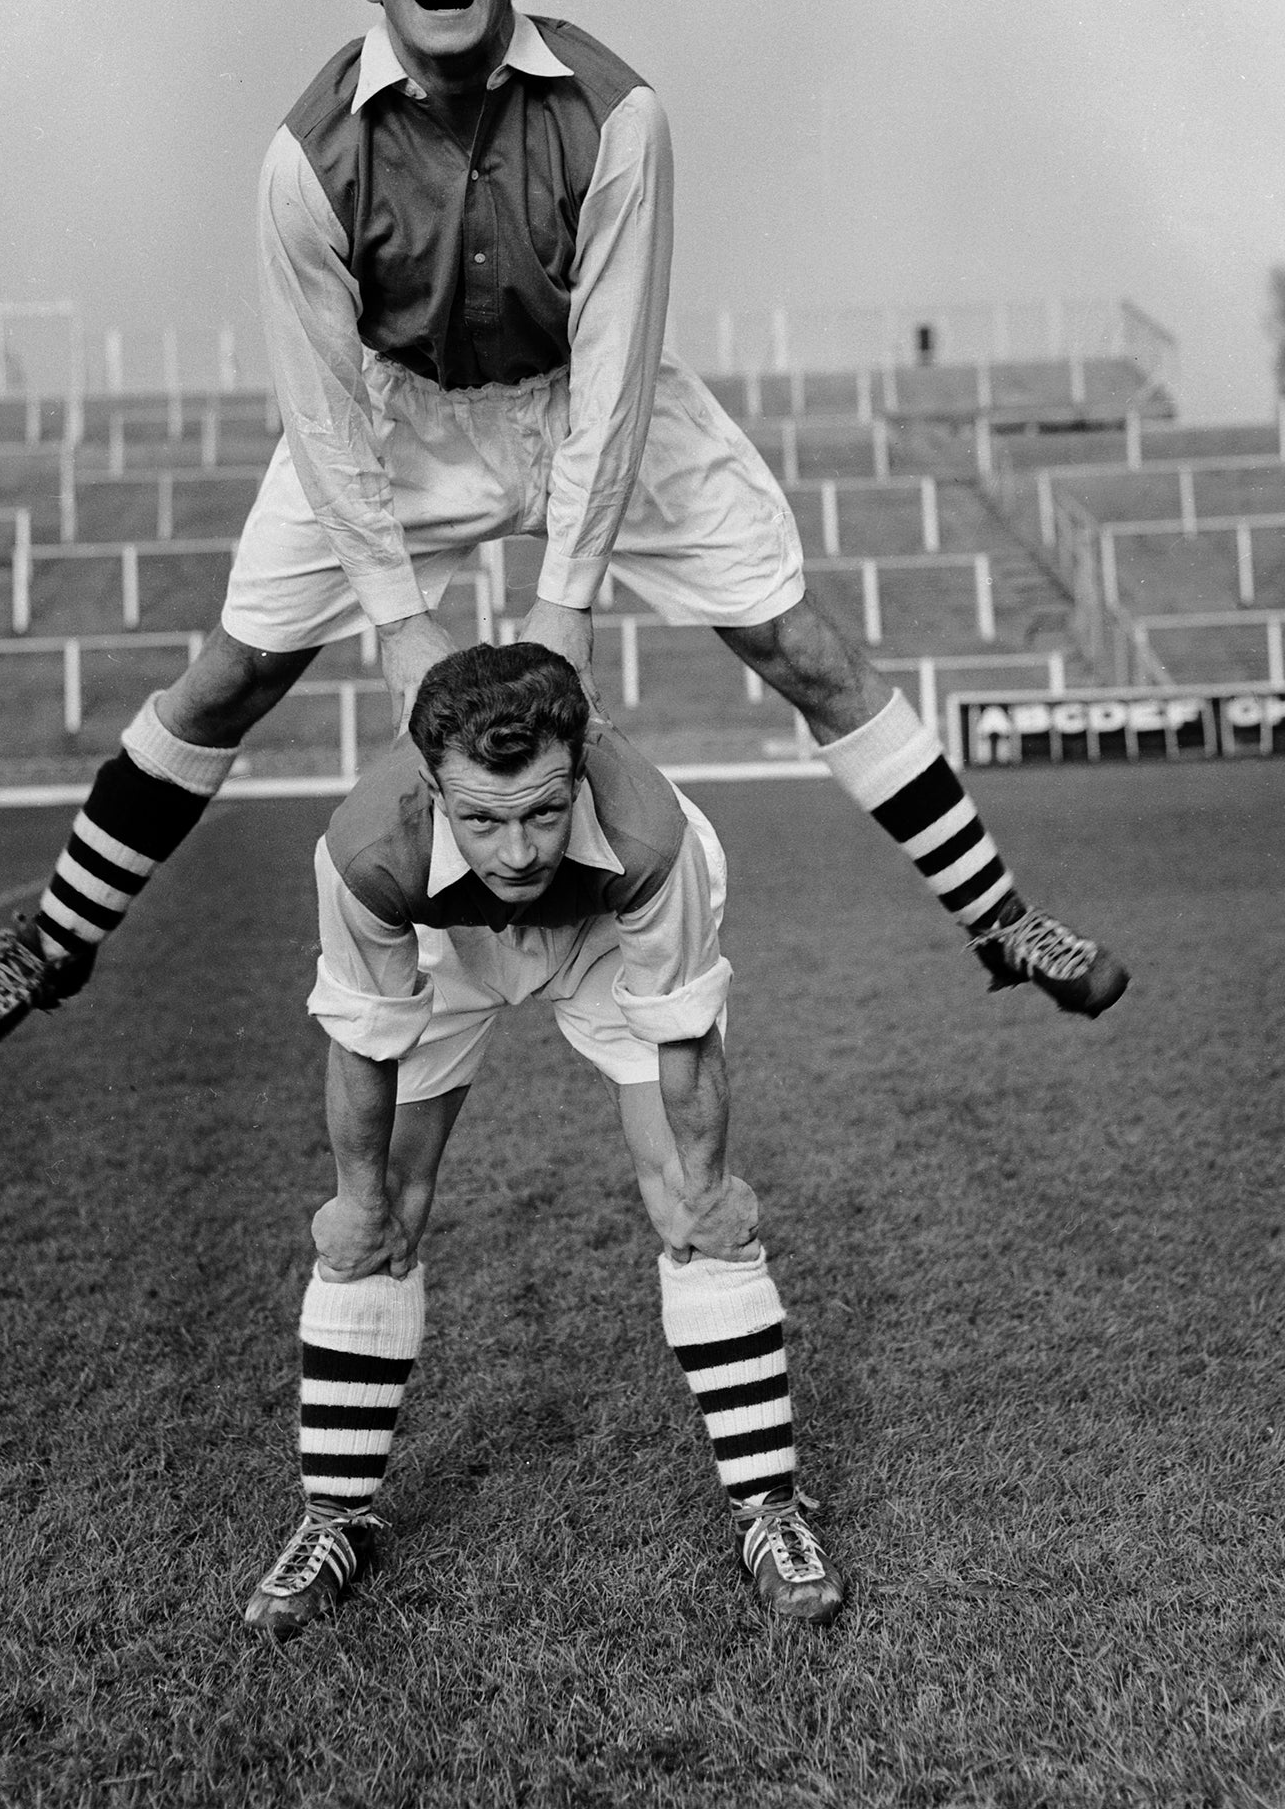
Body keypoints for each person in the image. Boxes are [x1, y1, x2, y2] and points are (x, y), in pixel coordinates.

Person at [0, 0, 1126, 1060]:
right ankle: (52, 941)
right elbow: (323, 408)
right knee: (230, 674)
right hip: (395, 414)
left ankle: (1001, 921)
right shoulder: (303, 158)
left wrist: (567, 603)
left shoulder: (619, 115)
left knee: (805, 650)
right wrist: (394, 617)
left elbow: (611, 378)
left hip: (582, 402)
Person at [242, 641, 841, 1640]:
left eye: (540, 811)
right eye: (480, 815)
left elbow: (681, 1035)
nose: (515, 849)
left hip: (606, 930)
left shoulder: (653, 839)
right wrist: (354, 1198)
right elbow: (360, 1043)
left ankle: (770, 1510)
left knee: (691, 1205)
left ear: (576, 770)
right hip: (443, 935)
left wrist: (706, 1181)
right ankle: (333, 1518)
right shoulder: (367, 852)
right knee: (378, 1208)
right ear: (432, 787)